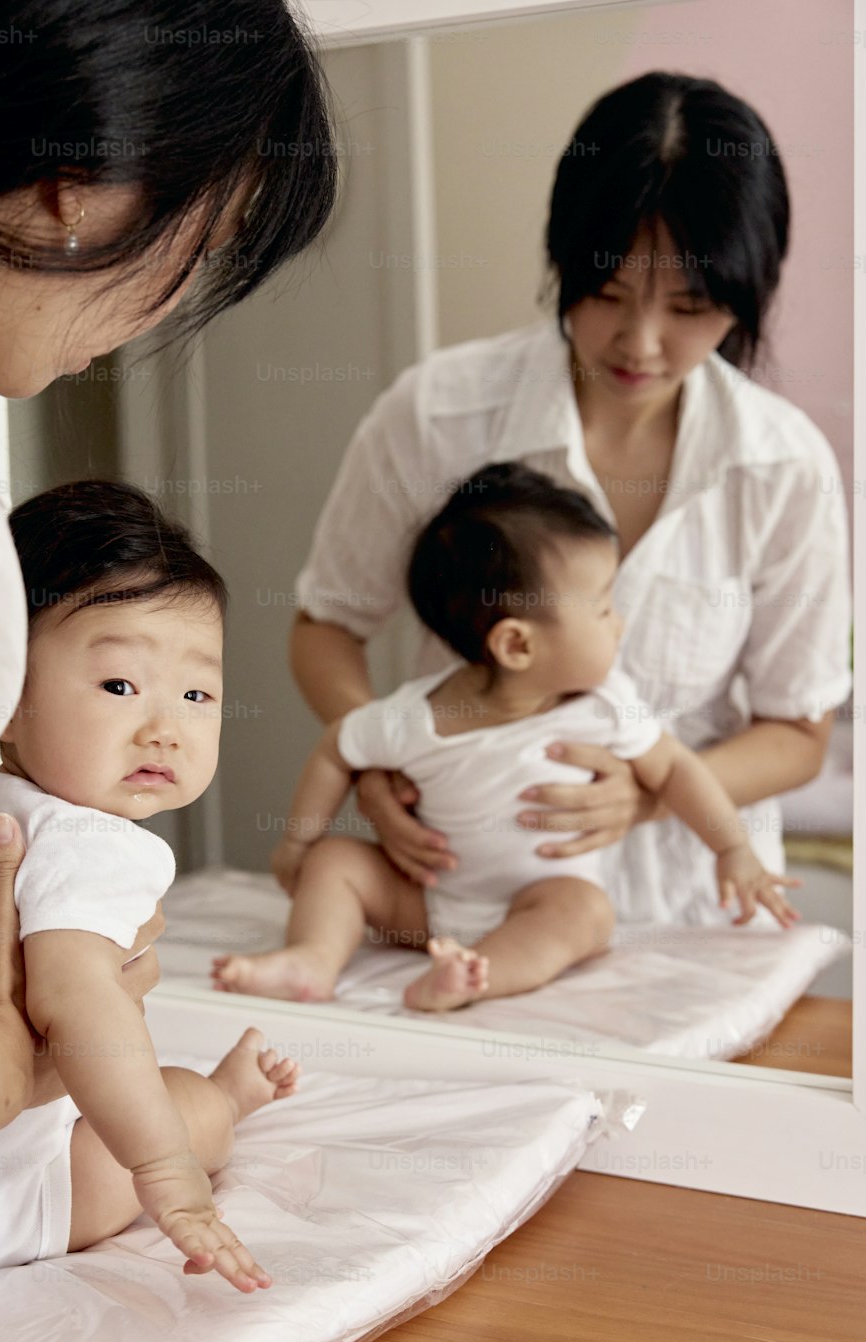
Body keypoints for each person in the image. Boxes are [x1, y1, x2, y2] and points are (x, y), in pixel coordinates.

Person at [0, 2, 335, 1342]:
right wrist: (10, 1064)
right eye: (202, 245)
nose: (170, 305)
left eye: (195, 692)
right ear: (82, 182)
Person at [290, 71, 851, 933]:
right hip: (460, 889)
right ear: (564, 261)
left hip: (690, 908)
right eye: (609, 295)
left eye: (691, 307)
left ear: (743, 296)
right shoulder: (441, 412)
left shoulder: (782, 467)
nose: (641, 342)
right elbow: (326, 624)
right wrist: (377, 759)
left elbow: (799, 730)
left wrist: (648, 795)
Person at [0, 481, 300, 1289]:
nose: (164, 725)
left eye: (196, 693)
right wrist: (168, 1165)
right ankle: (228, 1099)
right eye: (119, 685)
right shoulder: (92, 842)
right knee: (179, 1100)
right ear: (4, 695)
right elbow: (78, 1003)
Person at [215, 465, 799, 1013]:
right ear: (517, 645)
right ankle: (313, 960)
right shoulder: (417, 716)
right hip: (425, 901)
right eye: (602, 609)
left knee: (585, 911)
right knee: (337, 859)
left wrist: (732, 849)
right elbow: (337, 749)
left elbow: (674, 769)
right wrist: (299, 844)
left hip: (538, 898)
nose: (619, 623)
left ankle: (472, 975)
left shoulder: (605, 704)